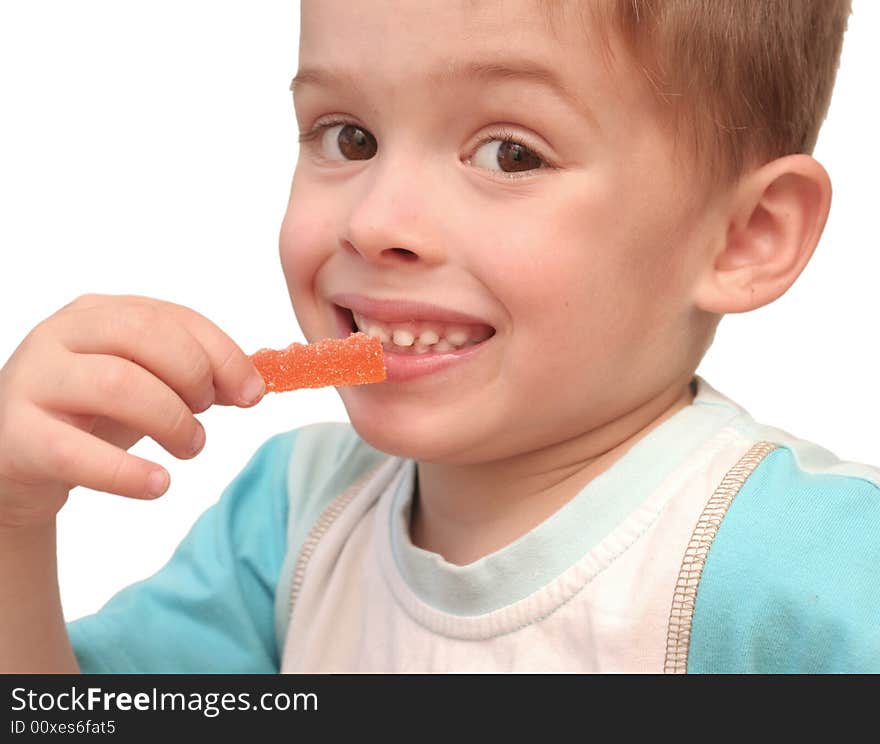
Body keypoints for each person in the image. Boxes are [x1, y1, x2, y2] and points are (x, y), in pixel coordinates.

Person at [1, 0, 875, 674]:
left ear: (745, 235)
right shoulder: (289, 521)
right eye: (349, 137)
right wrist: (12, 518)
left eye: (510, 154)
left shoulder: (825, 571)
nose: (378, 221)